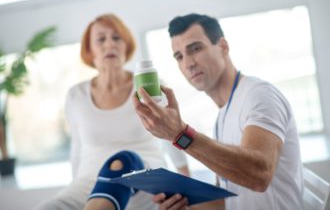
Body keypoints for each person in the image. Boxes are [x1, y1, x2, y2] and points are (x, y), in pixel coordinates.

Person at [132, 13, 304, 210]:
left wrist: (180, 134)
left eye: (195, 49)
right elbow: (226, 202)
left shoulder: (259, 95)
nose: (188, 63)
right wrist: (184, 205)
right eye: (179, 56)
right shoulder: (222, 116)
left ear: (223, 47)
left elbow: (259, 175)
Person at [34, 13, 189, 210]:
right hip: (89, 182)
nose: (110, 44)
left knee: (123, 161)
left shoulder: (150, 85)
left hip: (146, 182)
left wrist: (187, 186)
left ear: (127, 46)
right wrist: (74, 185)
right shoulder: (76, 95)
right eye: (101, 39)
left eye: (117, 38)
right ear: (90, 51)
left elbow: (173, 136)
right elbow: (77, 150)